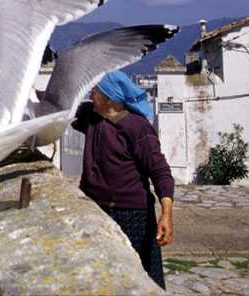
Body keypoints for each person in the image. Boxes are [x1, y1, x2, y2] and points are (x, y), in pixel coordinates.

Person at [71, 70, 174, 289]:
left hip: (132, 215)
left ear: (109, 99)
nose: (91, 96)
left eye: (95, 92)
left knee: (141, 276)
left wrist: (166, 214)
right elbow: (62, 105)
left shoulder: (136, 127)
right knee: (100, 274)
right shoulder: (92, 115)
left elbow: (160, 170)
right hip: (95, 210)